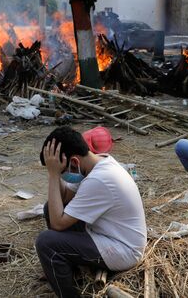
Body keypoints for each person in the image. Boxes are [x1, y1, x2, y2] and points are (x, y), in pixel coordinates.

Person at [35, 126, 146, 298]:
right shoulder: (98, 163)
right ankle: (70, 269)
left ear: (74, 162)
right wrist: (55, 171)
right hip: (109, 235)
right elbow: (64, 198)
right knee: (50, 208)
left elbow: (58, 224)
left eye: (63, 171)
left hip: (124, 249)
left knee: (46, 242)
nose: (61, 175)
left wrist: (53, 175)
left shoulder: (99, 179)